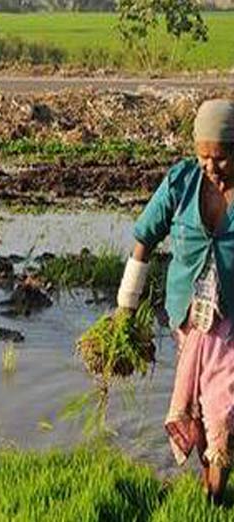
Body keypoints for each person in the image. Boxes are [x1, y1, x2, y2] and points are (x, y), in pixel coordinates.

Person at [116, 99, 234, 504]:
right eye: (203, 156)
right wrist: (125, 307)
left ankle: (216, 498)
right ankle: (210, 486)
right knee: (199, 411)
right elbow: (144, 239)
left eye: (220, 158)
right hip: (187, 318)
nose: (211, 167)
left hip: (231, 323)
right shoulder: (181, 181)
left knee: (221, 410)